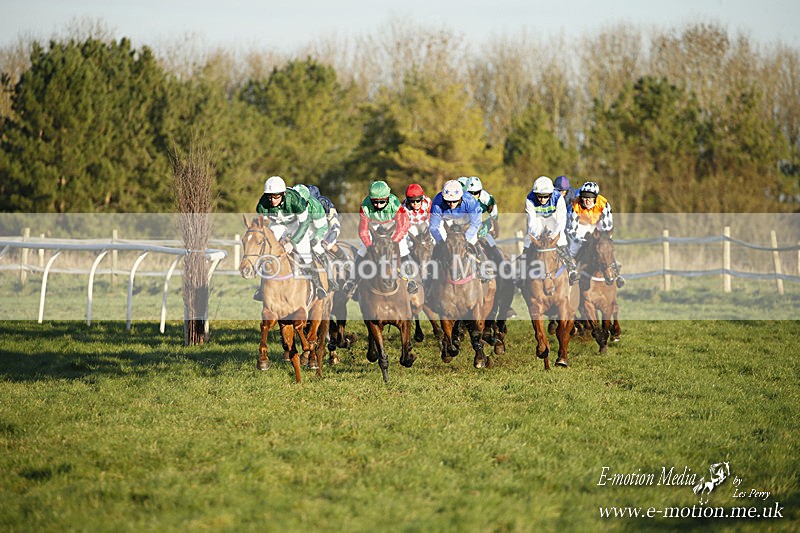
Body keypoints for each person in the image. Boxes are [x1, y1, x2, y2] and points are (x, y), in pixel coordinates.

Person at [255, 175, 328, 300]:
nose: (272, 200)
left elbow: (304, 223)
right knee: (267, 251)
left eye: (276, 196)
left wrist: (292, 242)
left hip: (296, 224)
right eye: (270, 196)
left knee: (305, 253)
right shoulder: (262, 205)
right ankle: (262, 288)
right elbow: (264, 224)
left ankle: (318, 285)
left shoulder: (295, 201)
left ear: (283, 194)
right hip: (277, 224)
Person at [341, 180, 419, 296]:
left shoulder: (394, 204)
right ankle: (352, 281)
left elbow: (403, 225)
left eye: (381, 202)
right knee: (362, 250)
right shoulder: (365, 206)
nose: (378, 205)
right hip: (374, 225)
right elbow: (363, 230)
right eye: (374, 202)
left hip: (392, 224)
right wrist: (370, 246)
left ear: (387, 199)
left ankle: (410, 280)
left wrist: (394, 242)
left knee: (402, 247)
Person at [429, 179, 493, 281]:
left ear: (461, 197)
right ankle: (430, 272)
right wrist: (441, 242)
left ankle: (484, 267)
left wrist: (464, 239)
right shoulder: (437, 202)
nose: (451, 203)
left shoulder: (470, 201)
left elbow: (475, 223)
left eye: (454, 201)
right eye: (448, 201)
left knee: (473, 240)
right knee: (439, 243)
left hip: (465, 219)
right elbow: (433, 227)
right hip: (446, 219)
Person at [566, 181, 625, 287]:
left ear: (596, 197)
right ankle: (571, 271)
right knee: (573, 249)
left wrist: (602, 240)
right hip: (581, 225)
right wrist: (583, 241)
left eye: (590, 197)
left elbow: (607, 227)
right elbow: (571, 230)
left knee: (605, 247)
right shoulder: (575, 205)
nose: (587, 199)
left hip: (597, 224)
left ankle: (616, 272)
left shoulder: (604, 204)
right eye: (584, 196)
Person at [524, 176, 580, 284]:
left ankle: (571, 268)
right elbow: (531, 222)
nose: (542, 199)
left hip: (553, 218)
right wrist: (539, 235)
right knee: (528, 240)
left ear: (551, 193)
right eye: (539, 196)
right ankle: (521, 271)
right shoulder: (529, 199)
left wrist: (554, 236)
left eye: (545, 196)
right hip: (537, 219)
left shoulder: (558, 197)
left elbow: (561, 220)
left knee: (561, 239)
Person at [291, 184, 338, 291]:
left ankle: (330, 279)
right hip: (295, 228)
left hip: (313, 228)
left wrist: (316, 239)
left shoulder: (316, 206)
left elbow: (322, 227)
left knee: (317, 248)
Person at [465, 176, 505, 273]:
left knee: (491, 244)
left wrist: (491, 228)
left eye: (476, 193)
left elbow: (494, 216)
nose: (474, 196)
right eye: (471, 193)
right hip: (467, 226)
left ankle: (504, 272)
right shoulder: (462, 199)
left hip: (483, 224)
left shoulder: (487, 199)